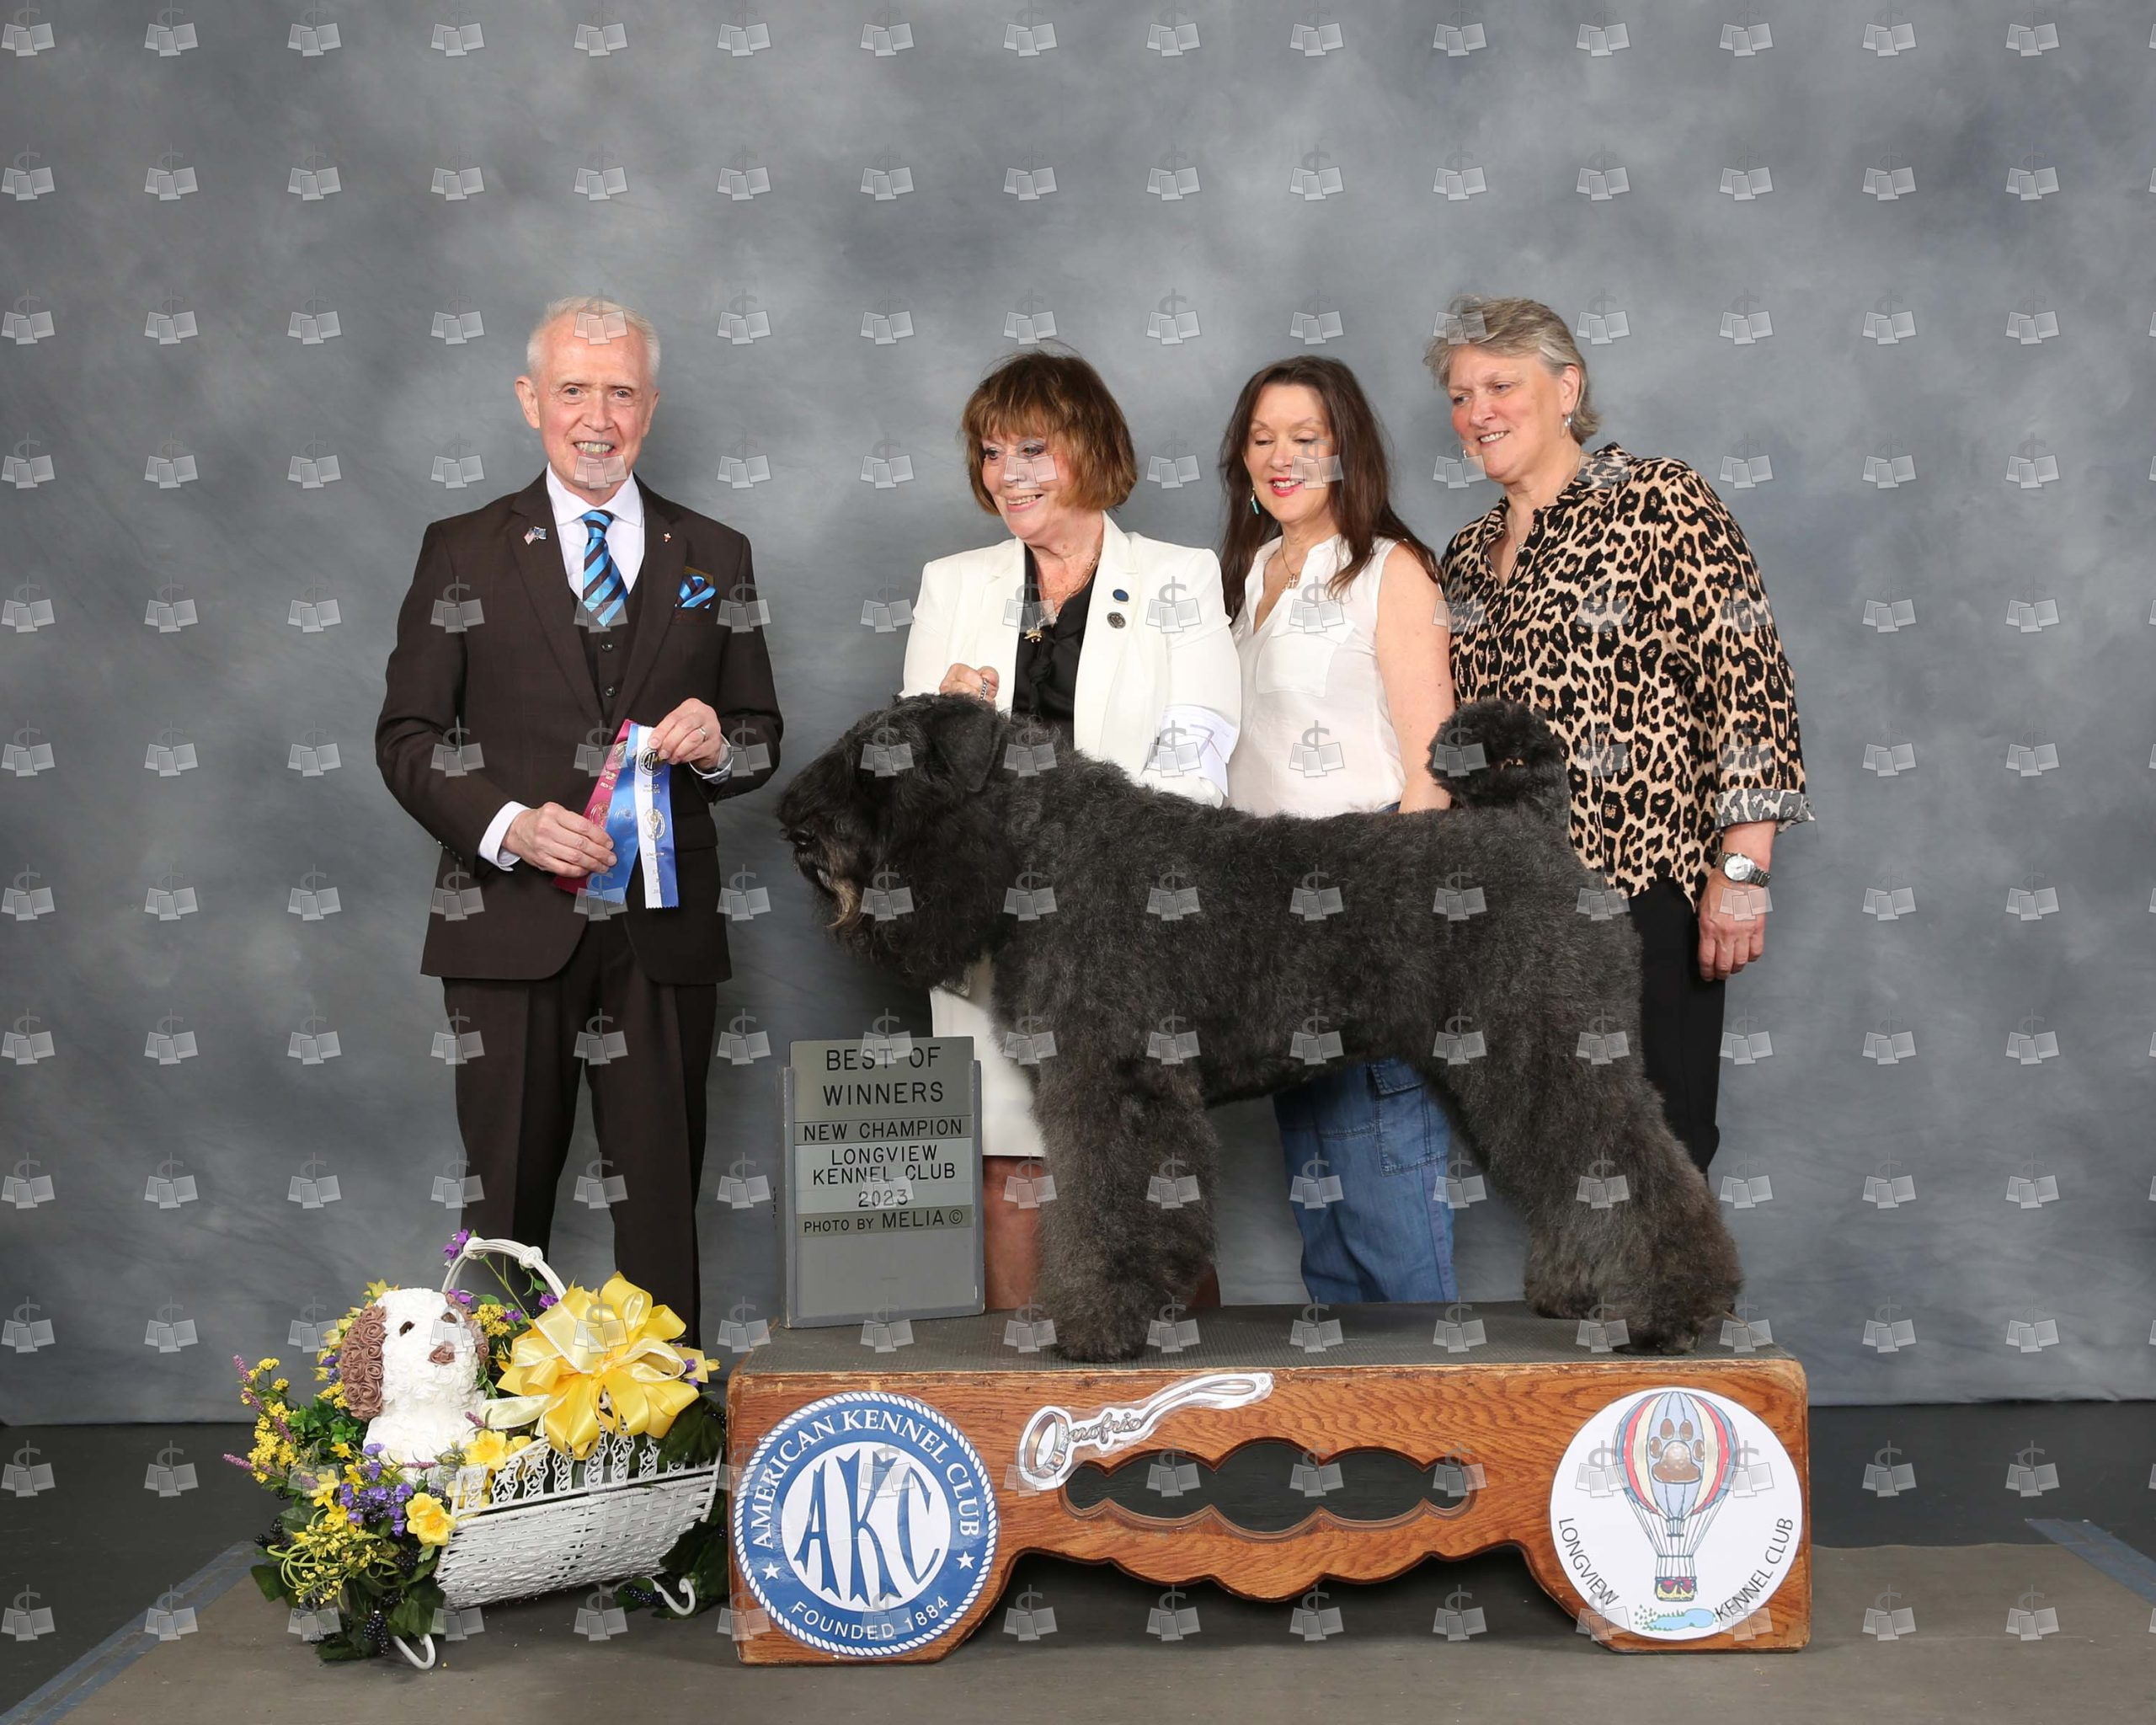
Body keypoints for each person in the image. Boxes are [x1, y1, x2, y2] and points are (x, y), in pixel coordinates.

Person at [375, 295, 783, 1348]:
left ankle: (668, 1433)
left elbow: (760, 733)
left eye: (619, 393)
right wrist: (510, 823)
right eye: (572, 390)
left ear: (651, 406)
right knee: (503, 1209)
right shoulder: (460, 550)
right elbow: (407, 738)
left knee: (661, 1205)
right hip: (507, 924)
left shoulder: (717, 551)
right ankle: (492, 1432)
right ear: (530, 400)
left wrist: (718, 743)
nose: (596, 418)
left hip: (662, 929)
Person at [1428, 294, 1813, 1179]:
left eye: (1500, 385)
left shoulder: (1658, 498)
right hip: (1517, 910)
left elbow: (1749, 681)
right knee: (1553, 1149)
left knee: (1661, 1150)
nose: (1477, 412)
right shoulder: (1465, 554)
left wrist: (1743, 870)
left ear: (1567, 389)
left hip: (1644, 889)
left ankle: (1672, 1275)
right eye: (1460, 395)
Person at [900, 346, 1241, 1310]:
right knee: (1015, 1170)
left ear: (1089, 449)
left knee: (1144, 1162)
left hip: (1132, 926)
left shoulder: (1179, 576)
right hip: (991, 935)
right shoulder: (952, 584)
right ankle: (1029, 1396)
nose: (1006, 474)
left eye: (1031, 450)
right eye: (991, 452)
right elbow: (913, 792)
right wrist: (947, 730)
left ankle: (1181, 1392)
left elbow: (1198, 757)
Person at [1217, 356, 1461, 1304]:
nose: (1281, 457)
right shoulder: (1249, 575)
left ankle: (1436, 1397)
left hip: (1366, 899)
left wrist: (1390, 928)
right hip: (1269, 917)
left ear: (1345, 450)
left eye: (1305, 438)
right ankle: (1350, 1401)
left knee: (1386, 1191)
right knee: (1322, 1207)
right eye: (1262, 438)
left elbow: (1435, 767)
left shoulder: (1391, 571)